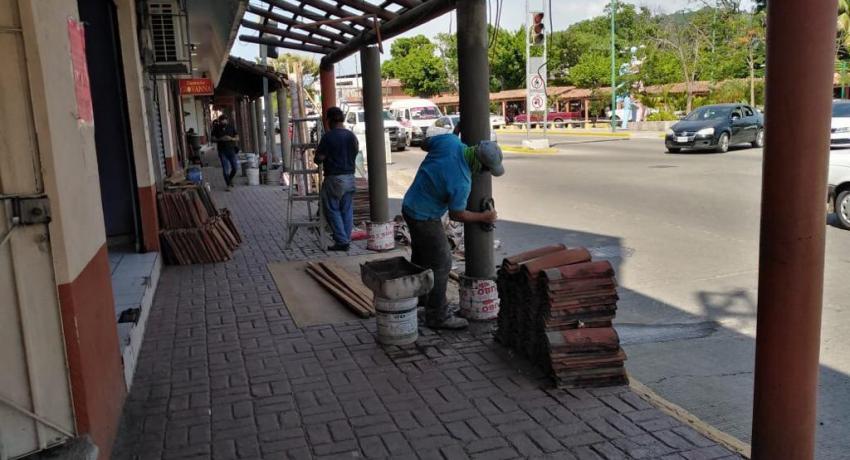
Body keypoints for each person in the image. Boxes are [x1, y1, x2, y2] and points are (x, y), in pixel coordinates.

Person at [402, 130, 504, 330]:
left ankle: (421, 299)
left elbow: (425, 143)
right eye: (486, 170)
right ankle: (437, 316)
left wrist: (449, 141)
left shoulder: (449, 141)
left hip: (410, 205)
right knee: (442, 263)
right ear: (480, 164)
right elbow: (457, 214)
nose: (483, 174)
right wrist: (484, 217)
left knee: (422, 259)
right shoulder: (462, 182)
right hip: (425, 217)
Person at [315, 107, 359, 251]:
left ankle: (341, 240)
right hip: (350, 177)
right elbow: (355, 152)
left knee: (332, 209)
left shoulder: (328, 137)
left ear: (329, 120)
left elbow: (318, 159)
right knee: (347, 209)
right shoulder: (351, 136)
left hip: (334, 178)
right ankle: (345, 239)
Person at [211, 114, 239, 190]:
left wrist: (231, 138)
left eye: (225, 120)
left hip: (232, 150)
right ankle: (228, 185)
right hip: (222, 151)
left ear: (227, 120)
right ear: (220, 121)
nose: (224, 121)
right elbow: (212, 139)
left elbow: (237, 137)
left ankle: (230, 179)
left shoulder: (231, 127)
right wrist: (221, 139)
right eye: (222, 120)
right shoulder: (216, 128)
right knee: (225, 169)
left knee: (235, 168)